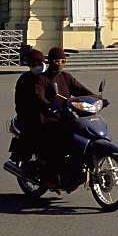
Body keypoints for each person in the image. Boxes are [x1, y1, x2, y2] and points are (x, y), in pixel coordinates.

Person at [32, 48, 97, 181]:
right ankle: (51, 175)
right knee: (57, 144)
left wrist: (97, 99)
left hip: (66, 116)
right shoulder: (42, 79)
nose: (60, 63)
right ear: (50, 61)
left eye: (63, 61)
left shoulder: (67, 77)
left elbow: (82, 90)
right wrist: (49, 105)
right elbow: (39, 96)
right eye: (57, 61)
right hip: (48, 118)